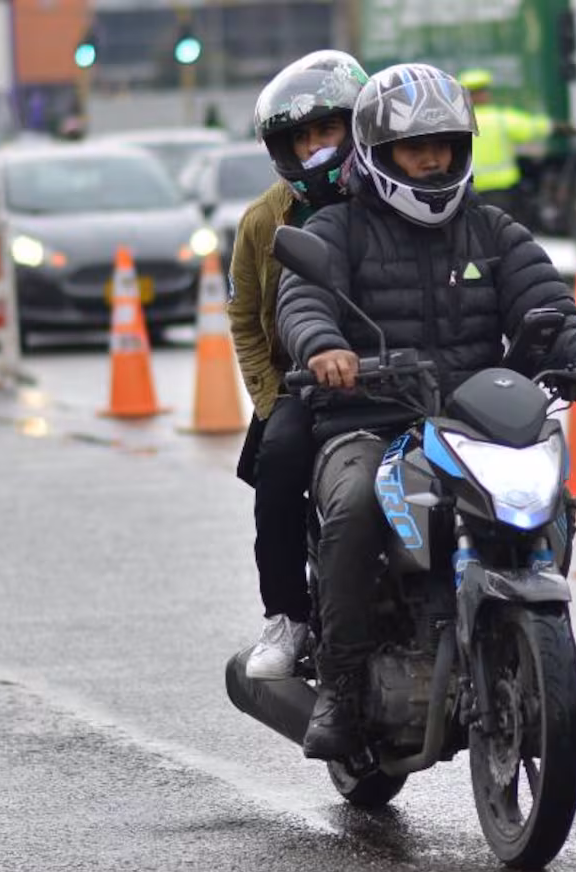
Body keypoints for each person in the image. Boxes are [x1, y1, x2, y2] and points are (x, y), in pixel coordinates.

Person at [276, 63, 576, 760]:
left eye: (444, 145)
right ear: (377, 155)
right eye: (415, 148)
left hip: (477, 423)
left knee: (549, 499)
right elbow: (303, 301)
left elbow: (551, 309)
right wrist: (325, 348)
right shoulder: (336, 230)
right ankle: (342, 689)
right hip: (368, 420)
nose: (434, 160)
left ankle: (513, 633)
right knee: (356, 506)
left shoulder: (493, 231)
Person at [230, 50, 369, 680]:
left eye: (327, 130)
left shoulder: (391, 196)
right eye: (301, 138)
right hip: (301, 386)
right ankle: (286, 616)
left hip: (395, 378)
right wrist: (272, 398)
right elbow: (245, 317)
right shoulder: (264, 220)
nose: (315, 148)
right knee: (279, 462)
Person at [455, 68, 554, 222]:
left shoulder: (457, 123)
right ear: (485, 94)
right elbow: (535, 128)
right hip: (503, 189)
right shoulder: (501, 118)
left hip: (471, 191)